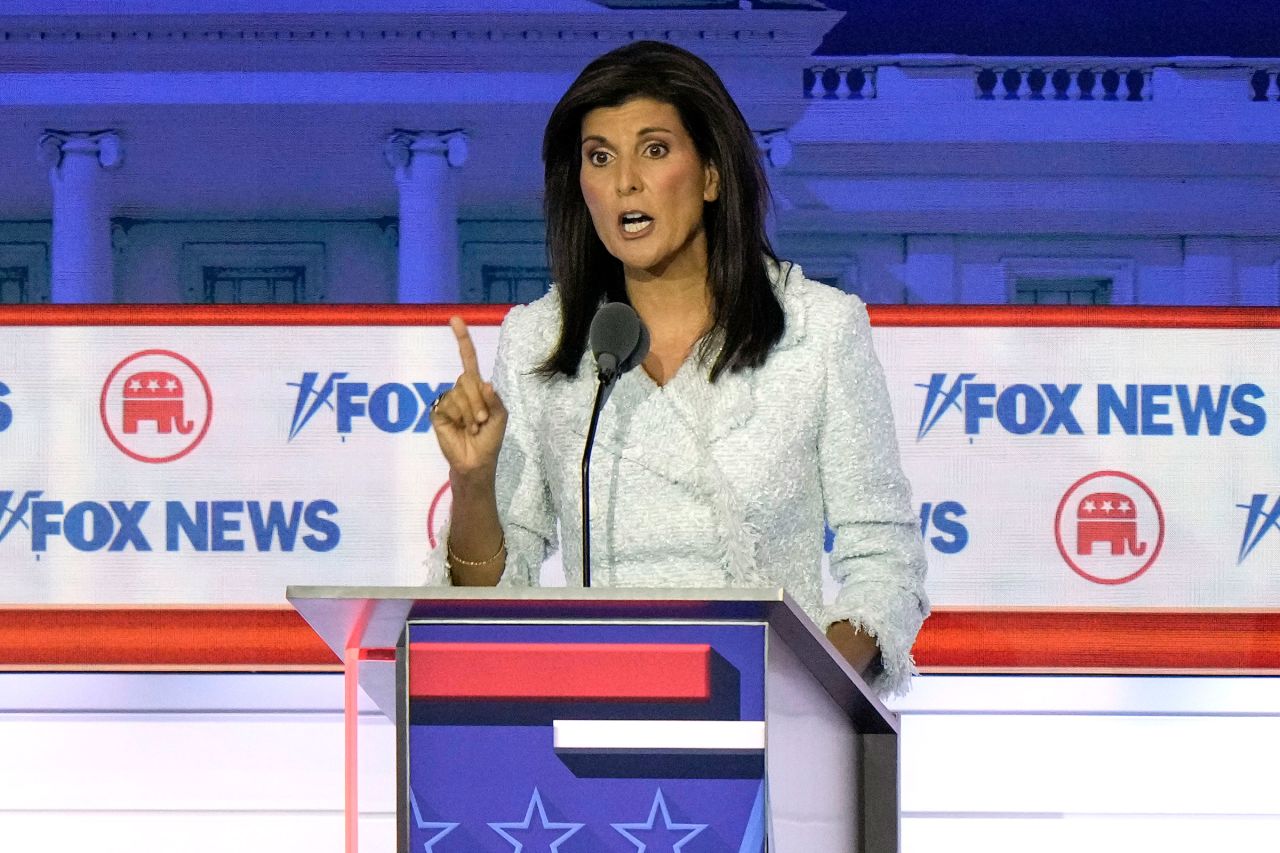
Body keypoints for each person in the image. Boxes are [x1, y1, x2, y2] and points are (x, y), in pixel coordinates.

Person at [426, 40, 928, 696]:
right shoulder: (538, 342)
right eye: (599, 157)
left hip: (770, 725)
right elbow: (493, 593)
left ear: (712, 174)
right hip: (593, 720)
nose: (625, 181)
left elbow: (883, 565)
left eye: (654, 150)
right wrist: (472, 479)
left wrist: (801, 695)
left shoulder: (819, 329)